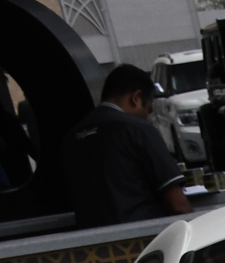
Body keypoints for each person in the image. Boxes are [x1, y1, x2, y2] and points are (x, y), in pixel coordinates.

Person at [64, 66, 192, 229]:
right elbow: (178, 206)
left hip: (93, 246)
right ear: (136, 98)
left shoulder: (71, 139)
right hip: (142, 239)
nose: (147, 116)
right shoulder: (138, 130)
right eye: (148, 109)